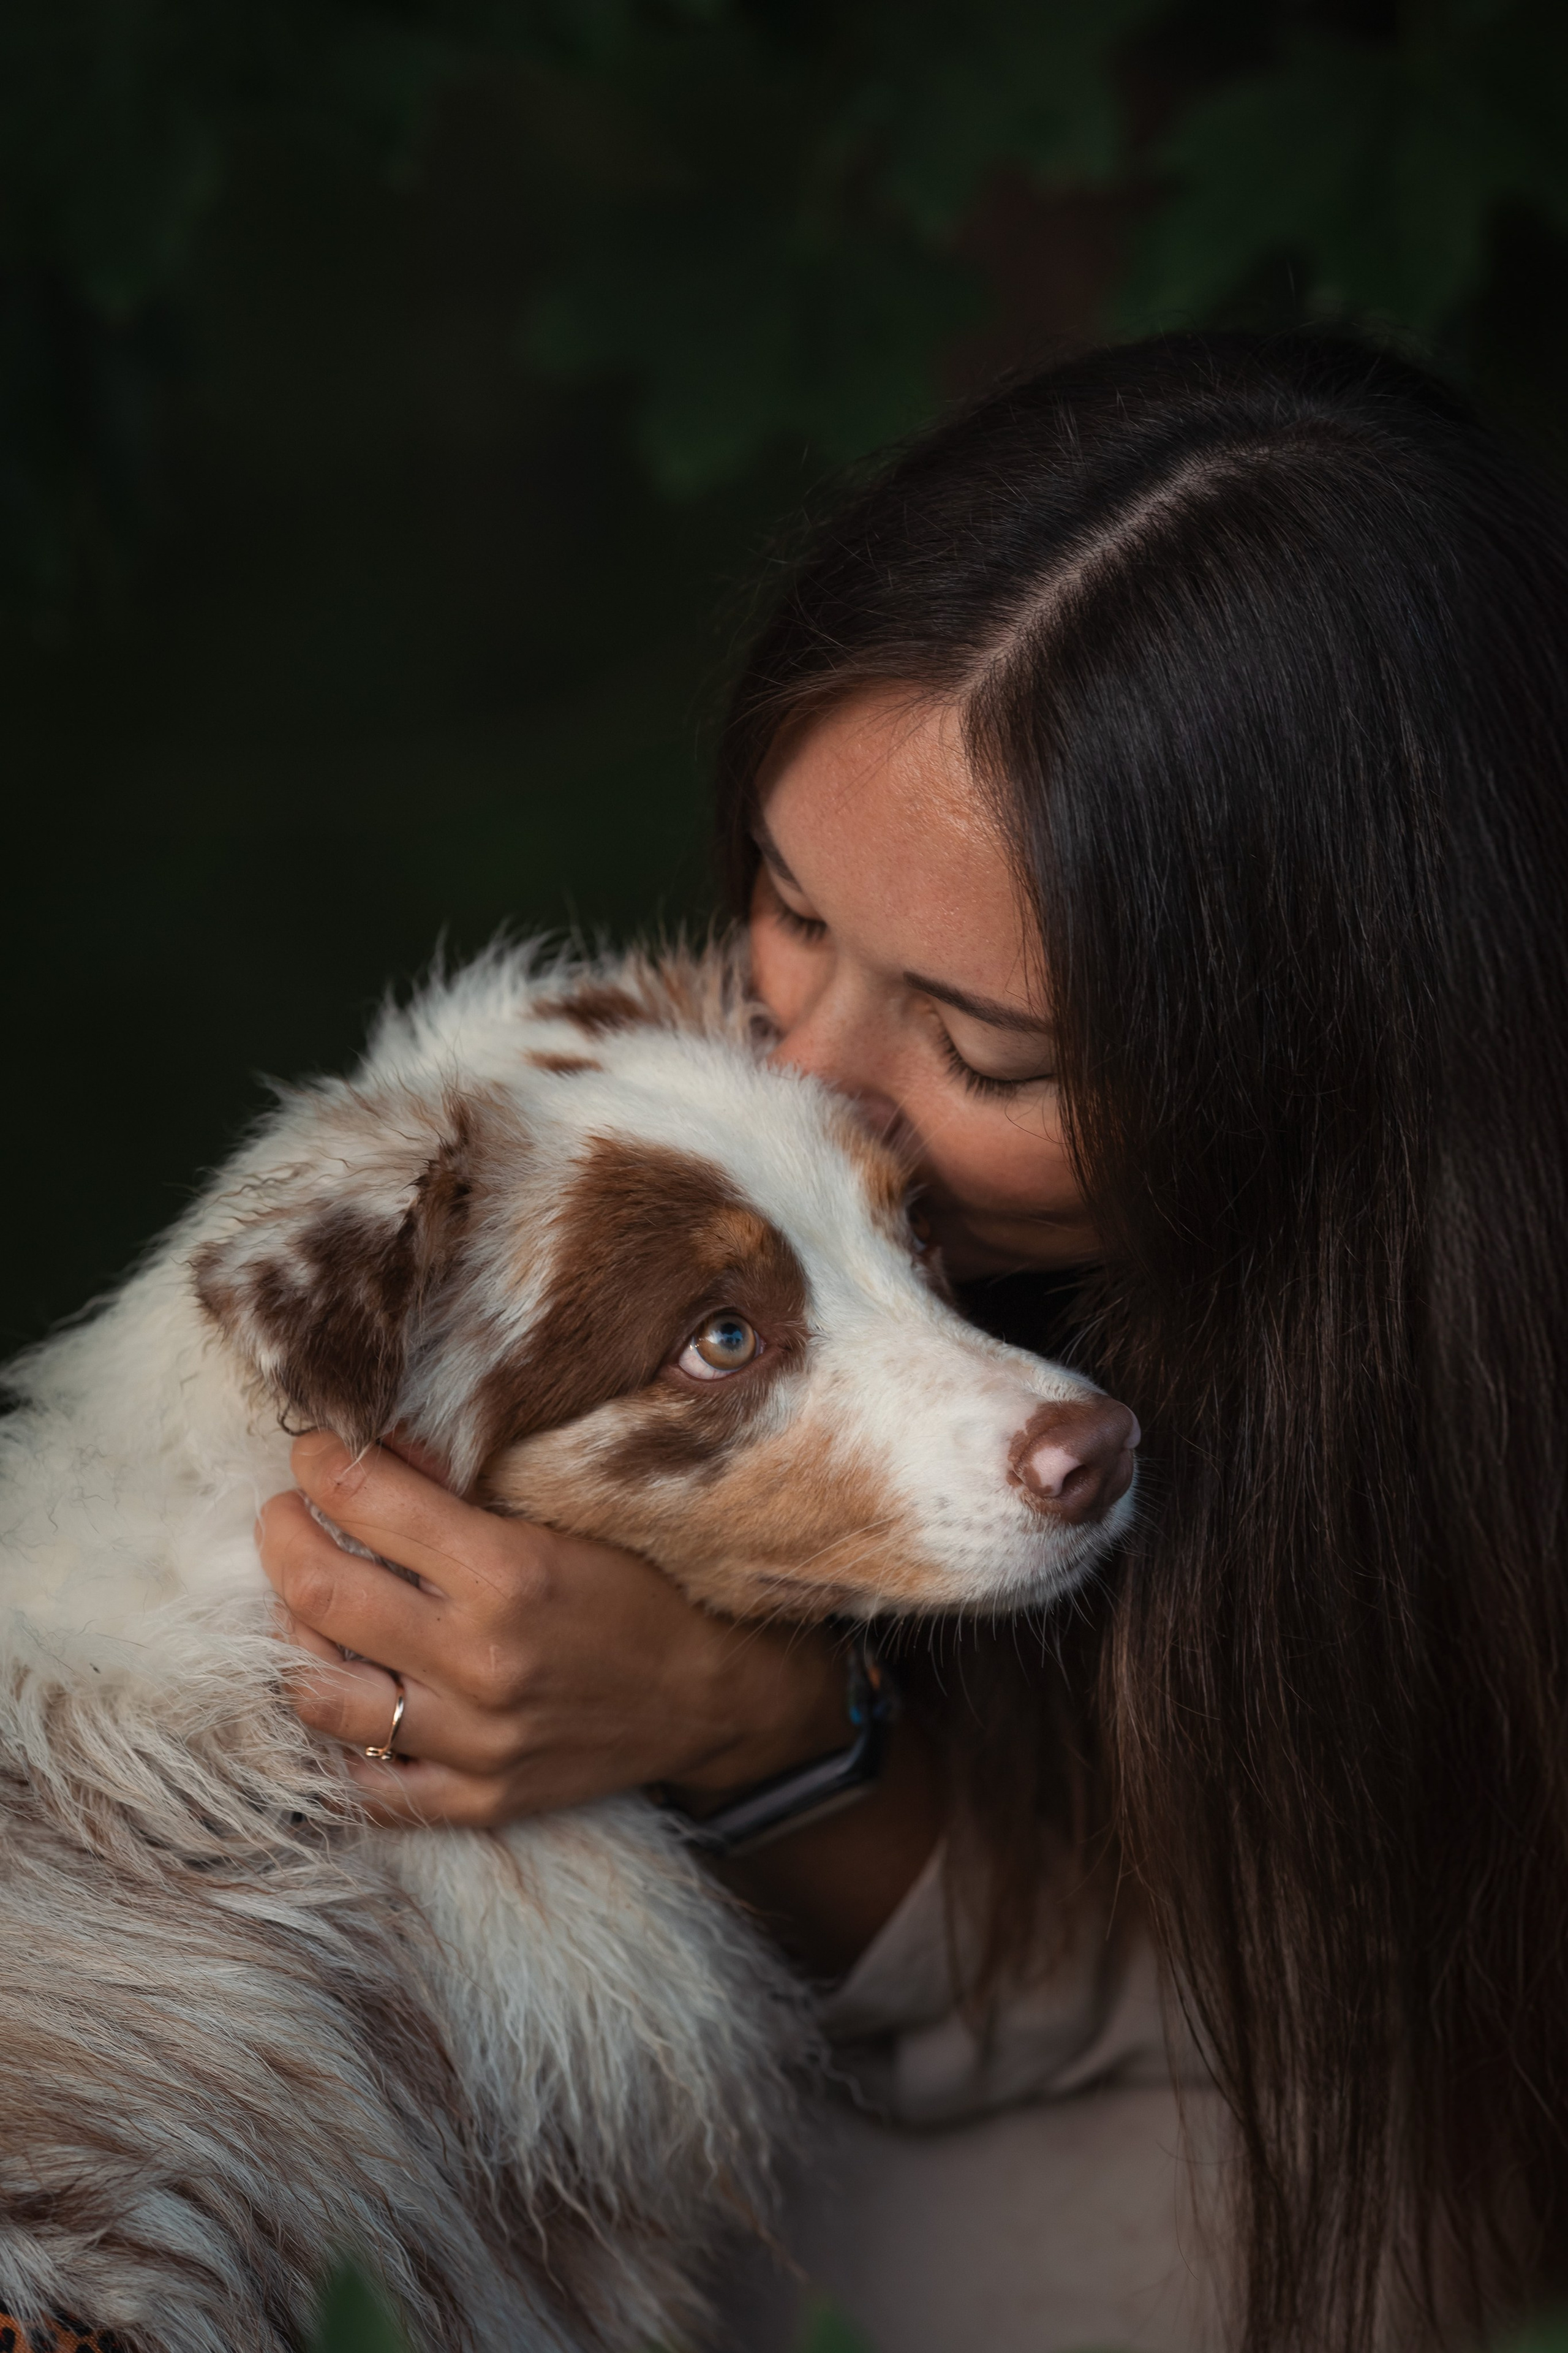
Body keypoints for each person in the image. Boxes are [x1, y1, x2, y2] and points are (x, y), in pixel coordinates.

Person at [257, 334, 1568, 2353]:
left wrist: (753, 1727)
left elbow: (1296, 2046)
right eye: (790, 909)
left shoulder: (1478, 1420)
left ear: (1320, 1063)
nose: (804, 1081)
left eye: (983, 1050)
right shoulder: (686, 1113)